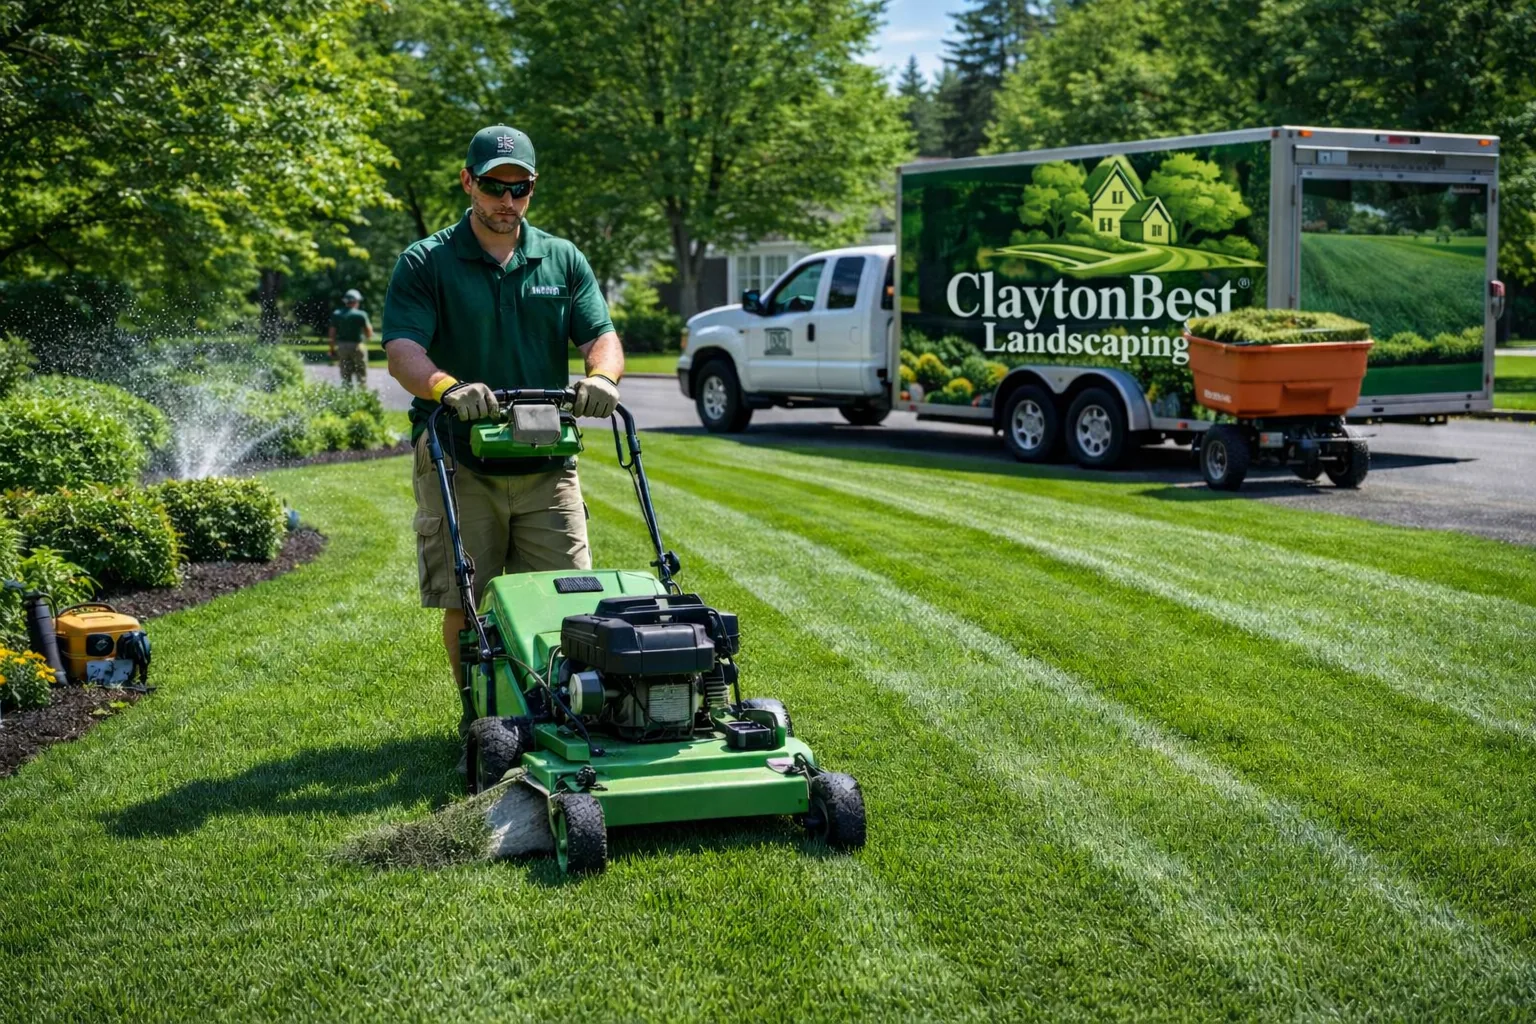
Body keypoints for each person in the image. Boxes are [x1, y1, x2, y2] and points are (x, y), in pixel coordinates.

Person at [382, 124, 624, 770]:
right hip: (460, 459)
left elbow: (601, 335)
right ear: (468, 182)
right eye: (494, 186)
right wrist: (446, 387)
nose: (506, 201)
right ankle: (480, 719)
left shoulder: (561, 258)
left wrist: (601, 378)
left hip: (547, 463)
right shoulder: (427, 261)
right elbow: (403, 350)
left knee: (570, 594)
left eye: (519, 189)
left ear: (532, 190)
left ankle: (562, 708)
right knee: (468, 600)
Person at [329, 288, 374, 388]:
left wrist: (331, 348)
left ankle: (347, 397)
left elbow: (332, 334)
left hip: (342, 347)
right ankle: (363, 397)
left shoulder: (337, 314)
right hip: (358, 346)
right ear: (356, 301)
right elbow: (369, 333)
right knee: (361, 375)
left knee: (345, 375)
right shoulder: (361, 315)